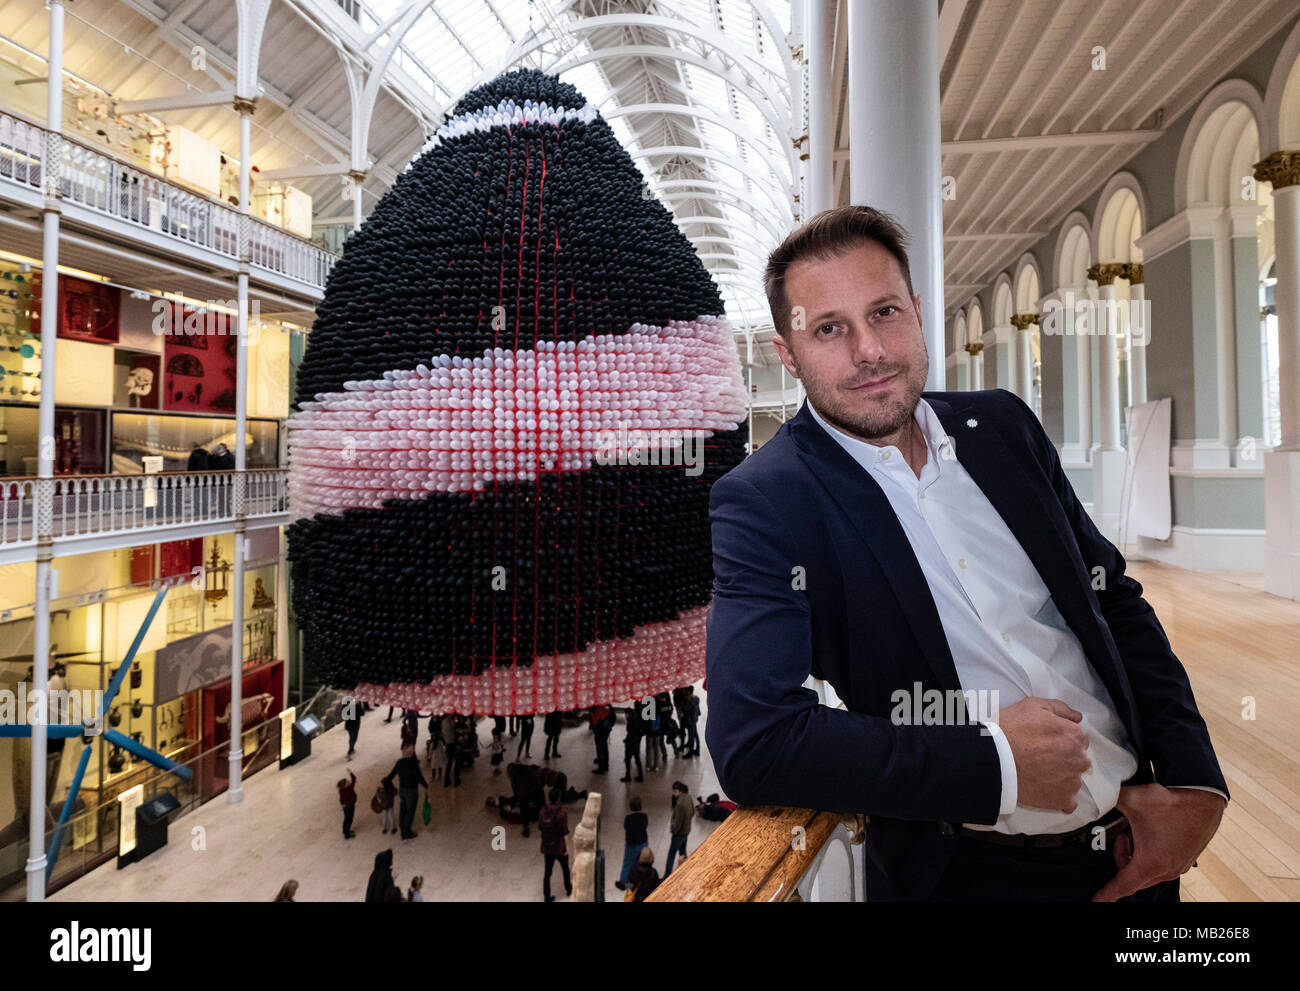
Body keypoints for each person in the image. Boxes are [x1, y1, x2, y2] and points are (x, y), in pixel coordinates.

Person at [704, 204, 1228, 902]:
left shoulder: (1002, 427)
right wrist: (995, 761)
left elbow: (1112, 599)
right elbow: (755, 740)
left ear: (918, 312)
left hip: (1135, 847)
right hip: (970, 875)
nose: (868, 350)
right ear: (787, 352)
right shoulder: (768, 500)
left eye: (884, 312)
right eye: (829, 328)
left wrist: (1194, 781)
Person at [384, 750, 429, 839]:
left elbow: (391, 776)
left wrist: (383, 782)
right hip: (412, 791)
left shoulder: (399, 763)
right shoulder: (414, 764)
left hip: (402, 790)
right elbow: (419, 777)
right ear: (411, 754)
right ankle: (406, 833)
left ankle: (402, 826)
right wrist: (426, 786)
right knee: (410, 811)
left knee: (403, 808)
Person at [538, 787, 572, 901]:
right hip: (559, 846)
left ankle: (547, 896)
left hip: (547, 847)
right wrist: (567, 847)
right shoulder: (562, 812)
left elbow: (540, 827)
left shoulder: (543, 810)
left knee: (547, 873)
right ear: (558, 798)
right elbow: (565, 831)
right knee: (565, 869)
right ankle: (568, 889)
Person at [615, 795, 649, 891]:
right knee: (641, 863)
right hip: (643, 843)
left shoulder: (628, 818)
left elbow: (626, 827)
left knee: (627, 863)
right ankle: (639, 881)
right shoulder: (644, 816)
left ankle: (623, 882)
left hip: (631, 845)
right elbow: (645, 826)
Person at [665, 781, 694, 876]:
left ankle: (667, 875)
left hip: (679, 833)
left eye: (674, 791)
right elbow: (693, 812)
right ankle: (685, 869)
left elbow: (678, 823)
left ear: (679, 791)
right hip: (687, 830)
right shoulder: (688, 797)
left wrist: (673, 831)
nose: (673, 793)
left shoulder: (680, 804)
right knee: (683, 851)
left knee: (671, 854)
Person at [620, 707, 644, 783]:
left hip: (630, 744)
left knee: (627, 760)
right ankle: (640, 776)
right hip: (636, 743)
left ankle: (628, 776)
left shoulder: (631, 722)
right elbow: (641, 731)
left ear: (629, 714)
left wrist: (626, 740)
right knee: (637, 760)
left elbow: (631, 733)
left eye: (626, 714)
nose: (625, 715)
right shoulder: (638, 719)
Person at [590, 704, 612, 774]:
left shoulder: (599, 709)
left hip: (599, 732)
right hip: (606, 731)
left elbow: (594, 721)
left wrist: (593, 714)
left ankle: (601, 768)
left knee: (600, 750)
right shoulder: (609, 707)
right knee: (605, 748)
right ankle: (606, 765)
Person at [337, 770, 357, 839]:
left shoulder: (341, 791)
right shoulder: (350, 788)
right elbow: (354, 779)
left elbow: (341, 799)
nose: (349, 781)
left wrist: (342, 804)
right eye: (347, 781)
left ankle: (345, 831)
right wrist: (350, 772)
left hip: (345, 807)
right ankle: (347, 834)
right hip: (350, 806)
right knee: (350, 819)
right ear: (346, 785)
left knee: (346, 819)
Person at [682, 687, 700, 758]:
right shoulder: (696, 698)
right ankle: (697, 750)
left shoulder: (690, 700)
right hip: (694, 719)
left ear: (688, 692)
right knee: (695, 735)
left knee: (691, 736)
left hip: (690, 721)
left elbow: (685, 708)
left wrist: (686, 700)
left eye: (685, 691)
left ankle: (690, 753)